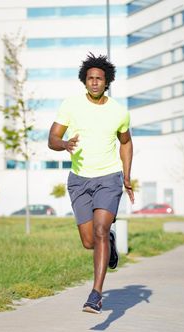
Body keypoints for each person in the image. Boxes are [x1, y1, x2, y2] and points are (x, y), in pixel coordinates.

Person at [48, 53, 134, 314]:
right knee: (89, 241)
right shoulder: (70, 106)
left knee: (98, 231)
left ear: (107, 82)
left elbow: (126, 142)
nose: (94, 82)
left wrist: (127, 176)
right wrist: (63, 144)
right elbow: (52, 138)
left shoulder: (119, 111)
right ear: (84, 81)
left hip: (108, 178)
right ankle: (109, 238)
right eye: (90, 78)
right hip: (79, 180)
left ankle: (96, 294)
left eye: (99, 79)